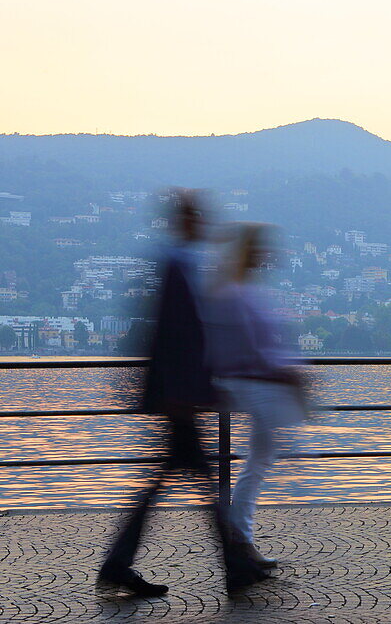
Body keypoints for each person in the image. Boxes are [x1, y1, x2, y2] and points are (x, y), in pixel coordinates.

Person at [98, 190, 267, 597]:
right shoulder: (178, 265)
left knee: (171, 488)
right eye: (197, 218)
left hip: (176, 396)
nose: (204, 225)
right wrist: (186, 393)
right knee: (200, 490)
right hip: (178, 399)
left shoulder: (177, 263)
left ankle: (120, 564)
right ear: (185, 221)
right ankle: (234, 567)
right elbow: (175, 336)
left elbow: (170, 336)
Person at [206, 223, 306, 568]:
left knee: (260, 460)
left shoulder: (239, 290)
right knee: (261, 460)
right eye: (261, 249)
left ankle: (241, 541)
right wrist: (285, 372)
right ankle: (239, 542)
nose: (267, 255)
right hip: (255, 384)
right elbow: (253, 347)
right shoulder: (237, 293)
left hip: (256, 382)